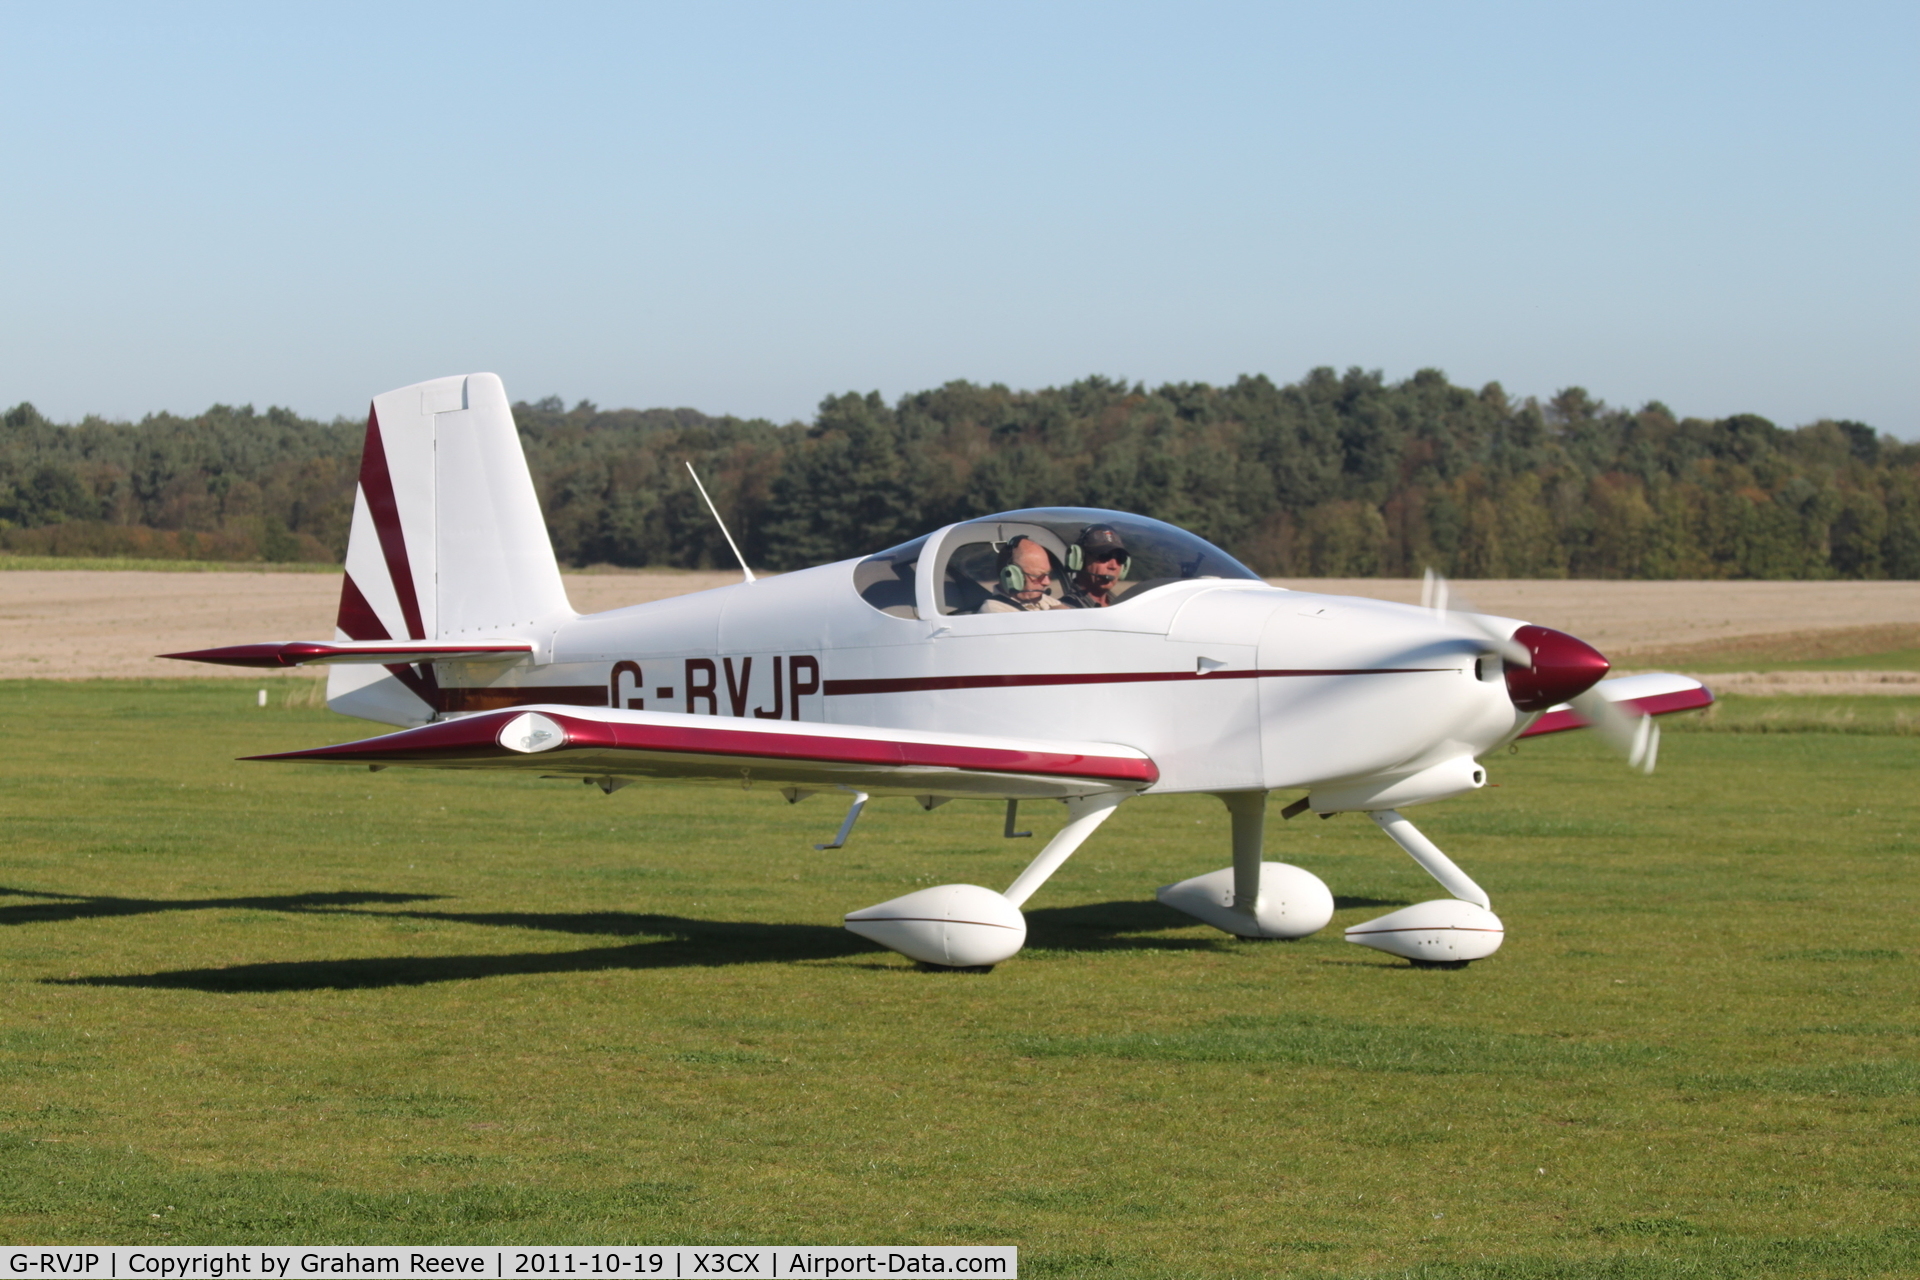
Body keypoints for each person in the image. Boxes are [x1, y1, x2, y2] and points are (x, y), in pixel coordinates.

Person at [979, 536, 1069, 612]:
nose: (1047, 582)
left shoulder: (1040, 598)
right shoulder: (994, 611)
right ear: (1012, 576)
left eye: (1048, 574)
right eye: (1039, 576)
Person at [1061, 525, 1129, 608]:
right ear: (1079, 560)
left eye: (1120, 558)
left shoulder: (1124, 607)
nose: (1113, 566)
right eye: (1104, 556)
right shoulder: (1064, 610)